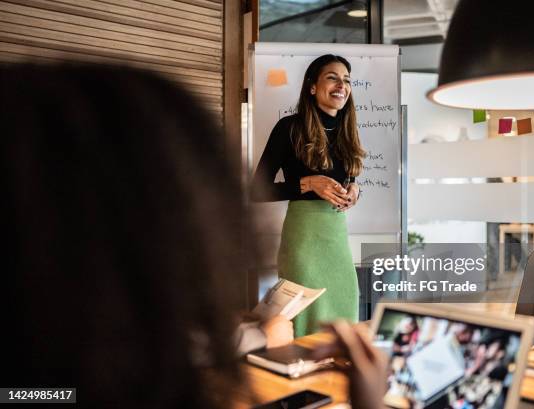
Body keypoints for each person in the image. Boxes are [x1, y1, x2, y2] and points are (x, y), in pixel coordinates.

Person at [2, 63, 385, 409]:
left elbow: (166, 350)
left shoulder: (100, 352)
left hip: (334, 231)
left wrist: (251, 335)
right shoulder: (113, 359)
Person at [251, 54, 366, 337]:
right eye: (333, 77)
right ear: (312, 86)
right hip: (304, 239)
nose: (342, 85)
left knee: (345, 306)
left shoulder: (347, 129)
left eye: (347, 80)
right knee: (303, 316)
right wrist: (308, 184)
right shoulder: (288, 128)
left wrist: (354, 189)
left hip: (336, 237)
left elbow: (348, 177)